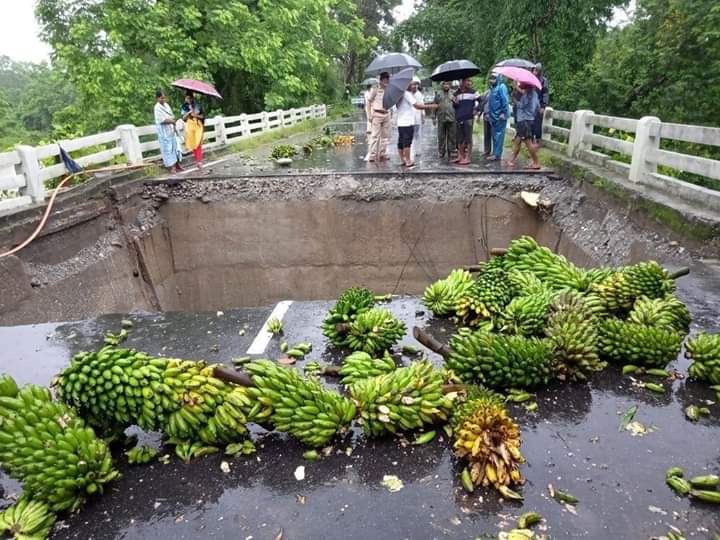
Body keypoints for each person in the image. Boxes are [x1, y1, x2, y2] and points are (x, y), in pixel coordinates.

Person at [396, 82, 438, 168]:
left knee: (401, 142)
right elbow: (417, 106)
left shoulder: (398, 94)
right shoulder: (407, 94)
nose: (413, 86)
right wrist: (432, 106)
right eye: (411, 84)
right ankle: (408, 160)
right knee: (407, 142)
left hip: (400, 122)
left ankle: (402, 160)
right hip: (408, 122)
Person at [507, 83, 541, 169]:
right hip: (529, 120)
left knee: (528, 143)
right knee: (517, 141)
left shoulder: (527, 95)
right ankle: (511, 160)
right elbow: (538, 107)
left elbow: (521, 105)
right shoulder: (535, 94)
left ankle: (536, 162)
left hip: (523, 121)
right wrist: (517, 89)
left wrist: (514, 99)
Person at [452, 78, 480, 165]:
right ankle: (461, 156)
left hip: (469, 118)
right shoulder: (456, 93)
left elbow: (481, 101)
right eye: (466, 81)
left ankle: (468, 157)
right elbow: (455, 106)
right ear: (461, 82)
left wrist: (477, 109)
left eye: (469, 81)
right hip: (459, 117)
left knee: (468, 138)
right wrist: (455, 102)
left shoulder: (473, 92)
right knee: (459, 139)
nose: (468, 83)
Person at [154, 89, 182, 173]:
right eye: (161, 98)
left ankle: (177, 165)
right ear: (157, 98)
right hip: (164, 132)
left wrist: (173, 122)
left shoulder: (167, 105)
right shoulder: (157, 108)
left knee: (175, 147)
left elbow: (171, 115)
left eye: (164, 98)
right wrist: (171, 121)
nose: (163, 100)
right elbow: (161, 120)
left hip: (171, 130)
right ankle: (172, 167)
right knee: (168, 149)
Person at [367, 72, 391, 162]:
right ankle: (372, 155)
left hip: (386, 114)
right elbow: (369, 102)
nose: (386, 81)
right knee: (375, 136)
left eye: (387, 79)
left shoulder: (389, 90)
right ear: (380, 80)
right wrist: (369, 115)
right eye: (384, 79)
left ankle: (382, 153)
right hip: (377, 114)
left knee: (385, 136)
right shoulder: (375, 89)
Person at [488, 73, 510, 162]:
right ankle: (495, 153)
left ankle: (497, 154)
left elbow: (505, 101)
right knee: (494, 135)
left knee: (499, 135)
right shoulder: (493, 88)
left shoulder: (502, 87)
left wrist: (503, 113)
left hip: (500, 116)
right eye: (491, 78)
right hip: (493, 116)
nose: (491, 80)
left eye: (493, 78)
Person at [181, 91, 205, 168]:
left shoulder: (197, 105)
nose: (187, 99)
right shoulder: (184, 106)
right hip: (190, 125)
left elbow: (202, 116)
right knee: (193, 144)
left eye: (188, 98)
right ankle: (197, 160)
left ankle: (199, 161)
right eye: (186, 98)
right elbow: (183, 118)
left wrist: (195, 115)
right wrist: (188, 113)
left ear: (191, 98)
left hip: (198, 125)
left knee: (198, 143)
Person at [434, 80, 457, 160]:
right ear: (442, 85)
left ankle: (452, 152)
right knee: (441, 136)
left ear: (450, 85)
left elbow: (457, 105)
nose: (446, 85)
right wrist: (433, 117)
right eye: (444, 84)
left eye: (448, 84)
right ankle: (441, 151)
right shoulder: (438, 93)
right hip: (441, 117)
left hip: (452, 117)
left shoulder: (454, 93)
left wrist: (456, 101)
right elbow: (434, 105)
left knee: (452, 136)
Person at [531, 63, 549, 141]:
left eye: (536, 70)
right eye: (534, 70)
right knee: (530, 122)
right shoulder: (531, 79)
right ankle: (530, 139)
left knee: (538, 123)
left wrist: (543, 106)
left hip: (539, 104)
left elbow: (545, 93)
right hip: (531, 105)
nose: (535, 71)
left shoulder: (543, 80)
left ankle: (538, 139)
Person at [410, 77, 424, 161]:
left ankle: (418, 150)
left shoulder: (419, 94)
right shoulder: (407, 94)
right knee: (410, 135)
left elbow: (422, 105)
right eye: (413, 84)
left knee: (417, 134)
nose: (414, 86)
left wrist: (423, 116)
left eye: (415, 84)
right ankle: (411, 150)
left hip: (417, 117)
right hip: (409, 118)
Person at [480, 79, 493, 157]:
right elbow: (482, 103)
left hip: (494, 116)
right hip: (486, 115)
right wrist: (479, 114)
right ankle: (487, 150)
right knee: (486, 134)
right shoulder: (486, 92)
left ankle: (495, 152)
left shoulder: (498, 91)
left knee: (494, 135)